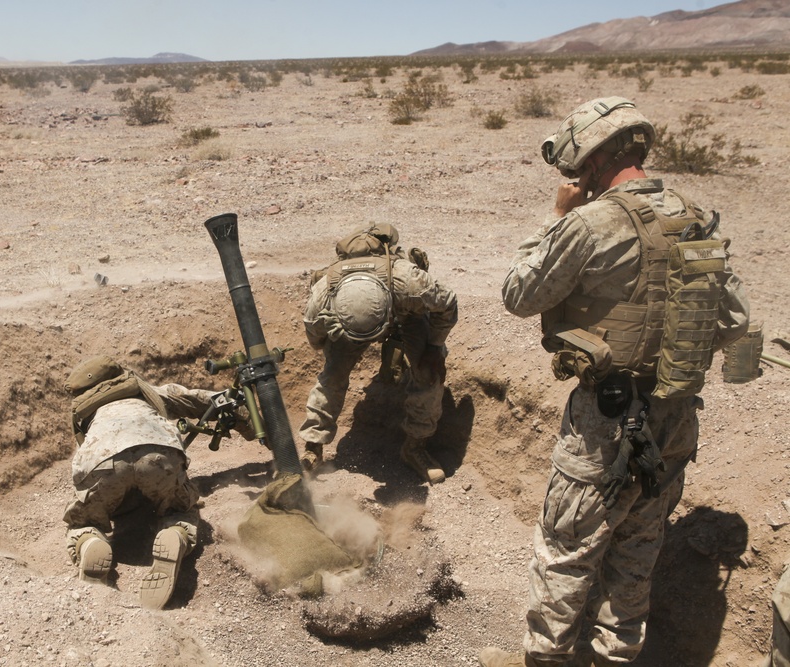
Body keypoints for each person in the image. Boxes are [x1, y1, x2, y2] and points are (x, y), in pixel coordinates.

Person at [481, 97, 750, 666]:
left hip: (604, 422)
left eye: (578, 164)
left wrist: (555, 217)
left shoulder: (588, 222)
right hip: (673, 420)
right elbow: (733, 323)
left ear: (595, 156)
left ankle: (545, 660)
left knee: (566, 551)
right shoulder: (696, 216)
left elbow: (519, 296)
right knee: (637, 551)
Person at [61, 356, 234, 610]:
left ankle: (90, 542)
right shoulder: (144, 391)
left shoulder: (83, 409)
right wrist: (242, 412)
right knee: (182, 509)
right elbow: (199, 399)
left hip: (103, 460)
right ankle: (175, 532)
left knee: (82, 520)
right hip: (158, 453)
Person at [298, 223, 459, 485]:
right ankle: (313, 447)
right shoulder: (325, 292)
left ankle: (415, 447)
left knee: (429, 374)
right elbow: (314, 334)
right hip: (347, 325)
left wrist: (433, 347)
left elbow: (448, 303)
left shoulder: (409, 284)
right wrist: (332, 348)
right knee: (332, 375)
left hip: (404, 313)